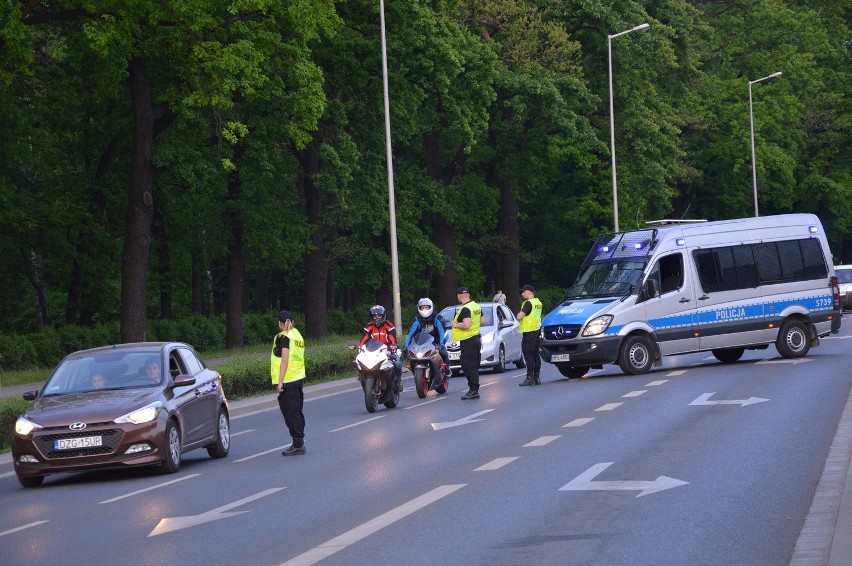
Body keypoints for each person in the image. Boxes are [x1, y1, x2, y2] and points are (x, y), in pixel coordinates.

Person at [271, 309, 307, 456]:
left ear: (280, 323)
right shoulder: (297, 335)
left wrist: (280, 381)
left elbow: (284, 360)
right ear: (292, 322)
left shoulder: (284, 338)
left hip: (288, 381)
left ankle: (298, 444)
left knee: (290, 413)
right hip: (298, 379)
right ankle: (299, 441)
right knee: (297, 411)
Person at [359, 305, 403, 392]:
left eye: (379, 316)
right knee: (361, 365)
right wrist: (360, 349)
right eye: (374, 316)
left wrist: (393, 348)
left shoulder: (389, 326)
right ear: (371, 317)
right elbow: (364, 339)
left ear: (383, 316)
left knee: (397, 363)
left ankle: (398, 381)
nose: (377, 318)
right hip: (373, 351)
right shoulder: (369, 327)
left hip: (388, 350)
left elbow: (392, 339)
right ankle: (363, 380)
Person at [403, 298, 451, 377]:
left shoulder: (437, 318)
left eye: (426, 307)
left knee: (443, 352)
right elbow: (410, 333)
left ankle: (447, 368)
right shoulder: (417, 320)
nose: (424, 309)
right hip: (421, 343)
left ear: (430, 307)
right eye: (422, 308)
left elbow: (441, 331)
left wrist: (441, 343)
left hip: (436, 342)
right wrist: (406, 346)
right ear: (419, 308)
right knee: (412, 356)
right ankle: (415, 370)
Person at [451, 287, 482, 400]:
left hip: (468, 340)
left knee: (468, 366)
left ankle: (474, 390)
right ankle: (473, 389)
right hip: (476, 338)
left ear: (459, 296)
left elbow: (466, 325)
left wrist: (455, 324)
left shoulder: (465, 309)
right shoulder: (476, 306)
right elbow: (483, 320)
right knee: (472, 365)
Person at [516, 284, 543, 386]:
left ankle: (529, 377)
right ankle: (537, 377)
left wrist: (519, 314)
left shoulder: (528, 303)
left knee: (528, 355)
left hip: (529, 333)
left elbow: (519, 316)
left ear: (529, 292)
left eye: (524, 291)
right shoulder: (538, 302)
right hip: (536, 331)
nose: (522, 293)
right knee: (536, 354)